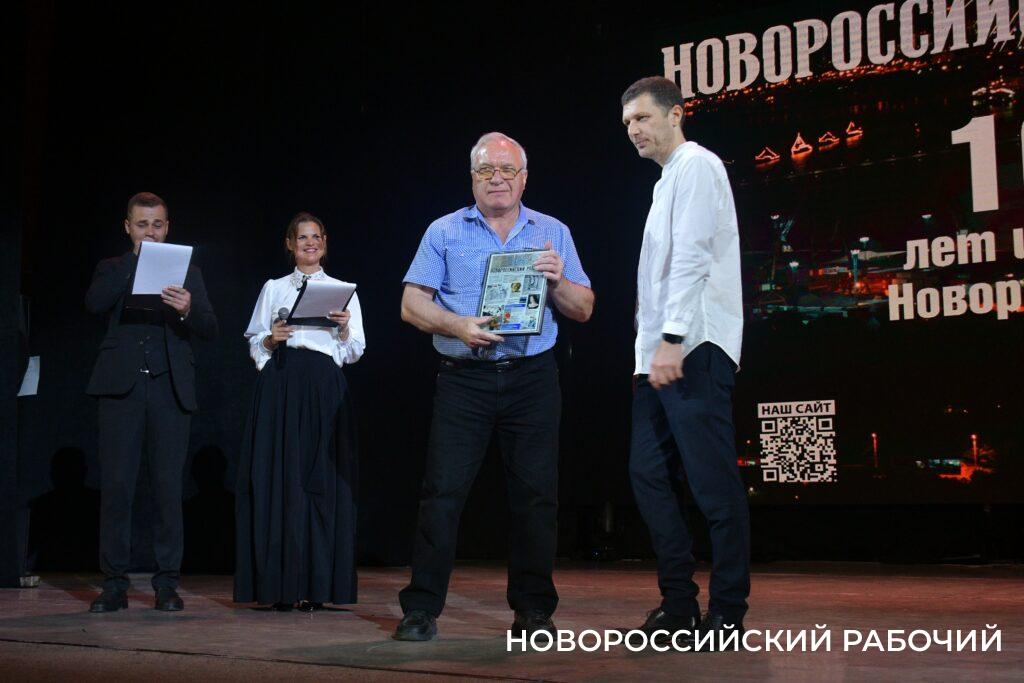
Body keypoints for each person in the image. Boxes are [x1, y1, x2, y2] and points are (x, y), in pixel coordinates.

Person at [394, 132, 594, 641]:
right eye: (486, 170)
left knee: (536, 498)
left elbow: (584, 308)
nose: (497, 178)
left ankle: (533, 612)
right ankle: (421, 609)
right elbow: (411, 304)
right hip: (464, 378)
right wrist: (457, 325)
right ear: (473, 178)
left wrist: (558, 282)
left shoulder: (553, 232)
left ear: (524, 178)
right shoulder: (443, 230)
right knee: (442, 494)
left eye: (507, 170)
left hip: (532, 378)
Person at [620, 76, 749, 648]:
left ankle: (727, 612)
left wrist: (671, 337)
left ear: (676, 114)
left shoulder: (697, 165)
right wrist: (647, 348)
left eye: (643, 118)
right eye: (628, 123)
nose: (634, 130)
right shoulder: (666, 180)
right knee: (647, 474)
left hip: (693, 348)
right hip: (658, 356)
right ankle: (678, 604)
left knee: (712, 483)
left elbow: (693, 256)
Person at [85, 192, 218, 612]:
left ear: (168, 227)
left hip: (169, 388)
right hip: (120, 388)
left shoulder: (189, 272)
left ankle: (166, 584)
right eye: (142, 225)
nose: (150, 232)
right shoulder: (112, 267)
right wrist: (135, 264)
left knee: (167, 488)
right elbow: (94, 304)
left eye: (157, 225)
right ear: (128, 227)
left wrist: (187, 309)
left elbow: (210, 327)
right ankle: (114, 584)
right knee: (117, 487)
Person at [234, 211, 365, 611]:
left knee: (319, 480)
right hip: (282, 384)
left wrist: (343, 328)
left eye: (317, 237)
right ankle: (280, 586)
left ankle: (318, 586)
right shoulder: (274, 288)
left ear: (324, 243)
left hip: (324, 387)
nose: (311, 243)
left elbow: (355, 350)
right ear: (290, 244)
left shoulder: (342, 290)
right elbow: (255, 343)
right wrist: (271, 339)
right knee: (282, 478)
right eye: (303, 237)